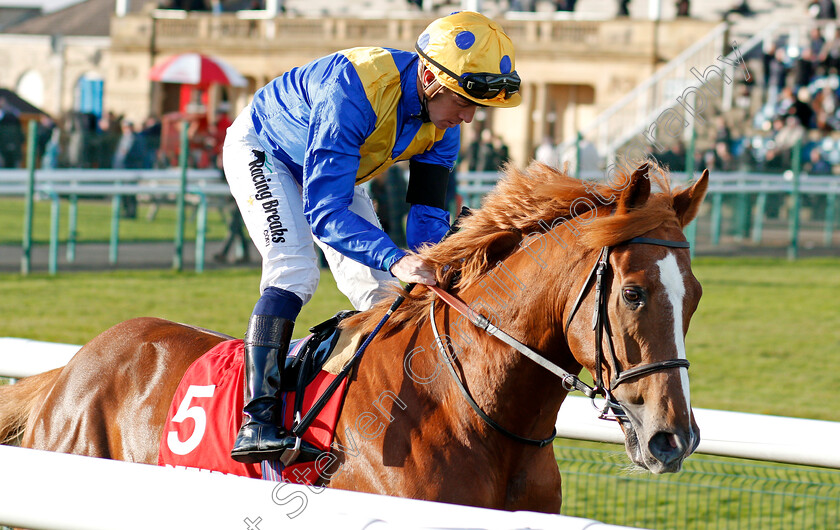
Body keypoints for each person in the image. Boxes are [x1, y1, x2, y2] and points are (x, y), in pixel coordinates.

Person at [221, 11, 522, 463]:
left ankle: (388, 410)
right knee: (295, 269)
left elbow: (424, 214)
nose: (470, 117)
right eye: (463, 100)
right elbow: (324, 212)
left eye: (476, 105)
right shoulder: (355, 89)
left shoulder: (444, 124)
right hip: (267, 150)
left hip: (336, 167)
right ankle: (258, 420)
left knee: (381, 294)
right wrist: (396, 258)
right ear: (428, 76)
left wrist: (436, 260)